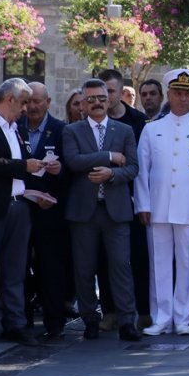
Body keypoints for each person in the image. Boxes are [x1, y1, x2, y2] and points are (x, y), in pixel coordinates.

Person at [134, 70, 189, 336]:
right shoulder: (152, 129)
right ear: (168, 95)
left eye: (187, 93)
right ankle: (161, 317)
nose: (182, 98)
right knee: (158, 264)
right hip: (158, 206)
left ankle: (182, 317)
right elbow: (142, 170)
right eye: (177, 93)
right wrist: (143, 205)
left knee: (187, 263)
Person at [62, 78, 142, 342]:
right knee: (84, 269)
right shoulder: (72, 131)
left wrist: (112, 174)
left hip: (116, 210)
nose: (97, 103)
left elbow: (132, 168)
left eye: (101, 98)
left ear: (110, 100)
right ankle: (90, 319)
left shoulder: (125, 130)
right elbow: (73, 162)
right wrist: (109, 157)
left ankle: (127, 320)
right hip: (84, 211)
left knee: (121, 265)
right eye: (91, 99)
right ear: (83, 104)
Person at [0, 79, 46, 347]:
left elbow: (20, 163)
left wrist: (39, 167)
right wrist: (23, 167)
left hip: (19, 205)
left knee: (15, 268)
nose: (26, 108)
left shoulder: (15, 129)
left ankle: (14, 323)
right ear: (10, 99)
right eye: (23, 102)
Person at [98, 68, 150, 329]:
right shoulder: (93, 121)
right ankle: (109, 311)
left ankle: (143, 310)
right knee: (105, 257)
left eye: (111, 91)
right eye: (102, 91)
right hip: (102, 199)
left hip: (133, 196)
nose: (106, 97)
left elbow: (145, 162)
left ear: (120, 92)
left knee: (138, 256)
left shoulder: (139, 122)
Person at [19, 82, 69, 340]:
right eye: (28, 102)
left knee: (51, 268)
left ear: (48, 102)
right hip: (21, 209)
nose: (33, 107)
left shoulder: (61, 130)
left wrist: (59, 175)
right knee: (19, 267)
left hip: (51, 212)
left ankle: (54, 321)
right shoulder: (15, 128)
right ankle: (22, 321)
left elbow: (71, 170)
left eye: (38, 101)